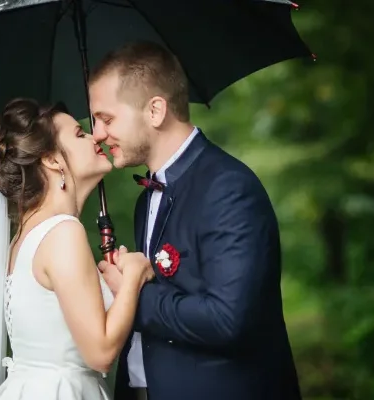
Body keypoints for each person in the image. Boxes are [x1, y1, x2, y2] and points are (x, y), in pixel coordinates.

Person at [89, 41, 302, 400]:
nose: (97, 134)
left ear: (155, 110)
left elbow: (227, 319)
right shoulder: (147, 201)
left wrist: (129, 296)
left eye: (106, 119)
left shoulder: (228, 188)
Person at [0, 98, 155, 400]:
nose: (96, 137)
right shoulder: (63, 232)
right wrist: (133, 276)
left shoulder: (25, 236)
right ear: (52, 159)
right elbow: (101, 352)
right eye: (80, 134)